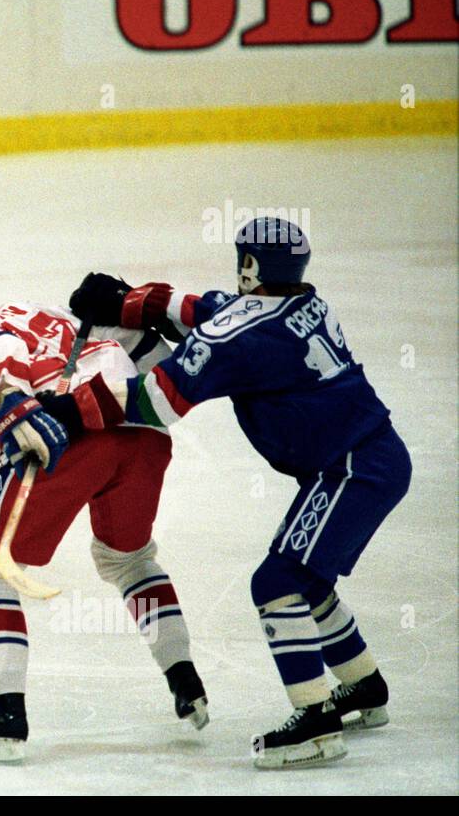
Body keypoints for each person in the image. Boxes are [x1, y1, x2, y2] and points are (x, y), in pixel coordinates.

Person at [63, 217, 410, 769]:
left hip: (351, 469)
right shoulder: (303, 304)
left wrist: (68, 408)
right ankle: (362, 685)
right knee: (306, 577)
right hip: (371, 457)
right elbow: (209, 309)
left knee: (276, 582)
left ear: (251, 264)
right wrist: (129, 301)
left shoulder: (242, 336)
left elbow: (157, 401)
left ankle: (316, 723)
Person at [0, 269, 208, 762]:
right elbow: (155, 357)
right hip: (142, 435)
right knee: (127, 560)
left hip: (64, 439)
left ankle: (6, 715)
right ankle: (185, 679)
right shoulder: (45, 313)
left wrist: (16, 403)